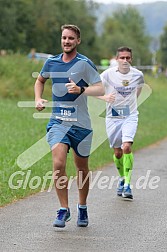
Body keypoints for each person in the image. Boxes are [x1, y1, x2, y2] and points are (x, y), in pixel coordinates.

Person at [34, 24, 104, 228]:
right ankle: (63, 209)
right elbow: (40, 81)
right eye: (64, 38)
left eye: (71, 38)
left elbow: (100, 87)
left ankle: (82, 206)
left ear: (78, 41)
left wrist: (81, 89)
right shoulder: (52, 62)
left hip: (81, 125)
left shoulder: (84, 63)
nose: (67, 41)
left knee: (81, 168)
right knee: (58, 164)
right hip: (58, 122)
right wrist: (38, 99)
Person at [97, 46, 144, 199]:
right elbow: (94, 90)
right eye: (122, 58)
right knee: (117, 152)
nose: (125, 60)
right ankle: (122, 178)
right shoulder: (107, 74)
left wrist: (132, 102)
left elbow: (139, 89)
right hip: (112, 117)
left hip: (130, 116)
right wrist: (104, 98)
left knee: (127, 147)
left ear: (131, 59)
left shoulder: (138, 75)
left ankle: (128, 185)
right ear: (116, 59)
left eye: (127, 58)